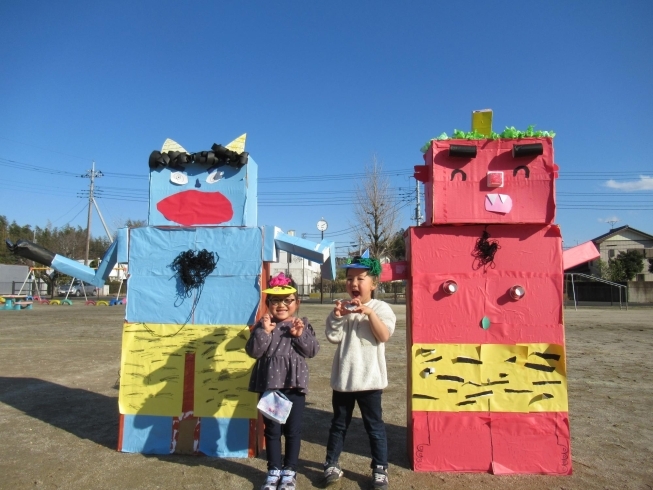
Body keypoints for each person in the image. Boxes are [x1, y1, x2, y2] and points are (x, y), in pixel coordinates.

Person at [323, 251, 396, 489]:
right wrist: (336, 316)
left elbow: (383, 335)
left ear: (374, 283)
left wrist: (370, 313)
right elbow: (333, 337)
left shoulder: (382, 308)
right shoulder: (342, 307)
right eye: (349, 278)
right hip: (344, 380)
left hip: (371, 381)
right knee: (339, 425)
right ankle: (331, 464)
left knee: (374, 427)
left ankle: (380, 468)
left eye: (360, 278)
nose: (354, 283)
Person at [246, 272, 320, 490]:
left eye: (287, 300)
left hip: (294, 386)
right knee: (272, 430)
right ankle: (273, 470)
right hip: (269, 388)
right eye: (276, 300)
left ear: (297, 303)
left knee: (293, 431)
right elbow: (254, 352)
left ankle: (290, 471)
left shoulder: (301, 324)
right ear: (268, 303)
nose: (281, 305)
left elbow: (312, 350)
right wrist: (265, 333)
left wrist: (299, 335)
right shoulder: (263, 325)